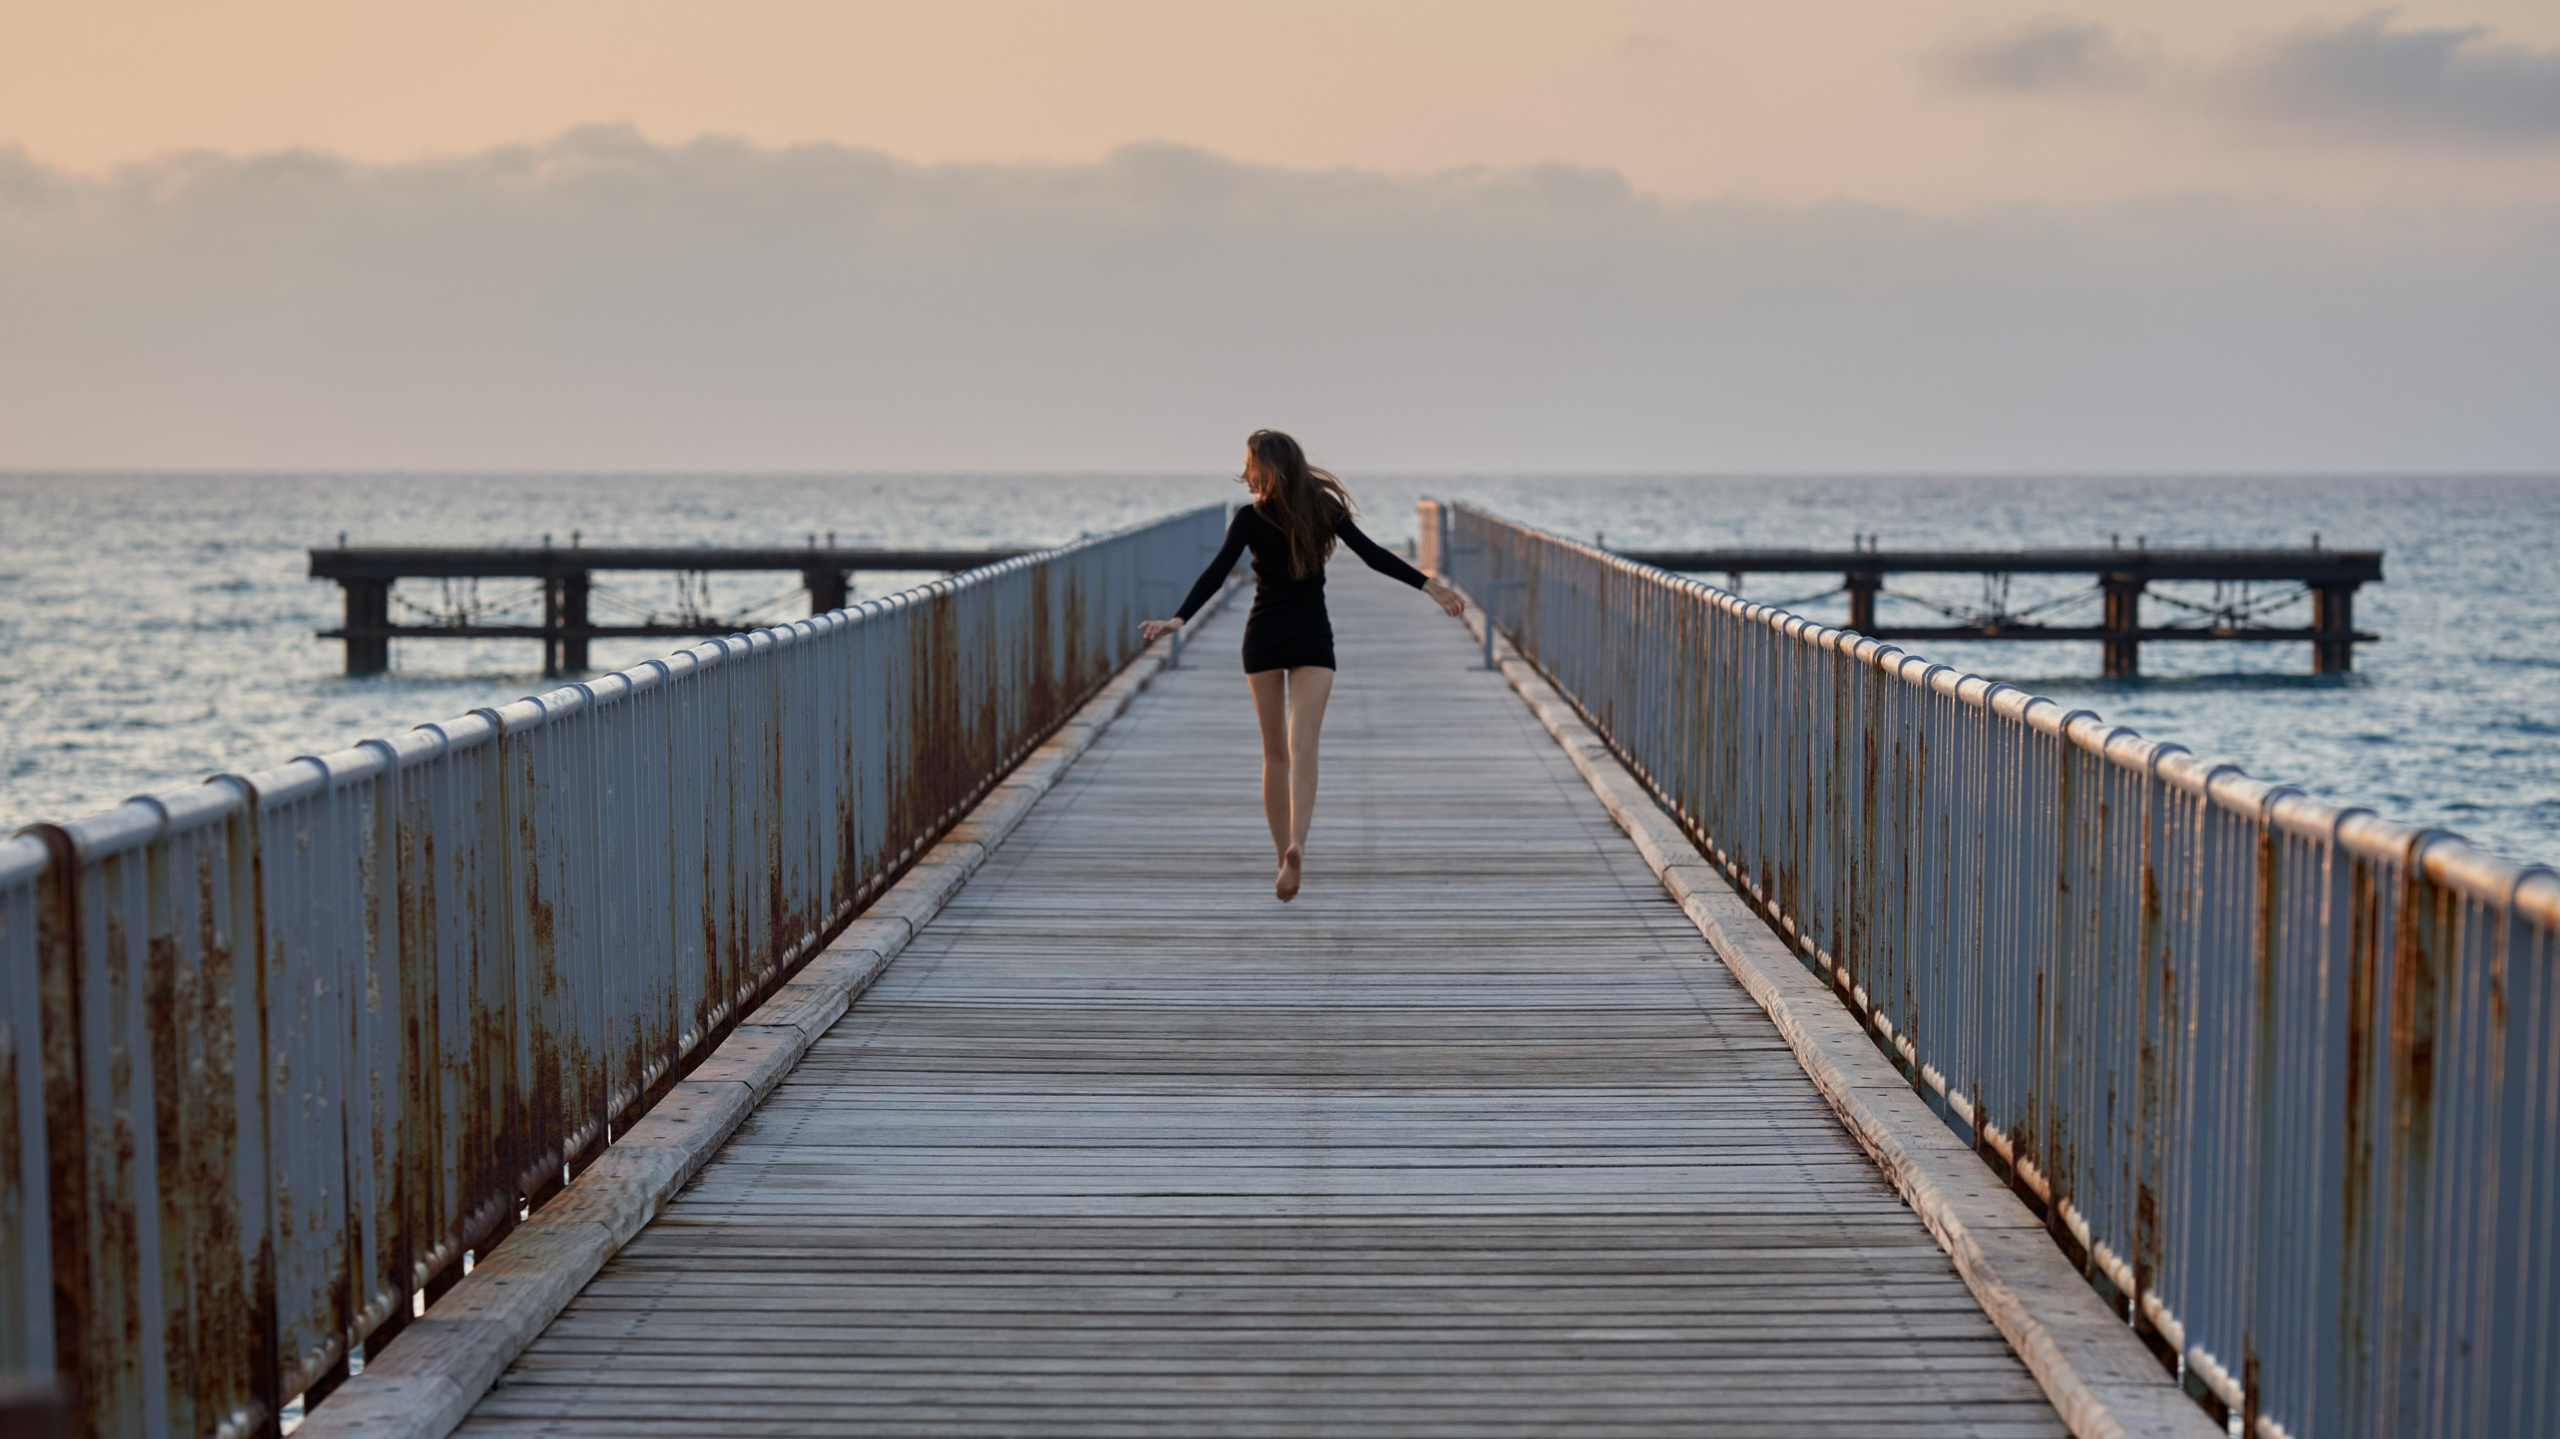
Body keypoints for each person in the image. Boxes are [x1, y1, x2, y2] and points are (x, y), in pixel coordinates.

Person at [1142, 430, 1467, 901]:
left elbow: (1216, 572)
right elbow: (1372, 555)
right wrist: (1428, 585)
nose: (1247, 471)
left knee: (1274, 753)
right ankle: (1298, 844)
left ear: (1264, 468)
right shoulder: (1324, 508)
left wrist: (1178, 619)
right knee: (1305, 749)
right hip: (1312, 636)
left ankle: (1282, 859)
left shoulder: (1249, 519)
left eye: (1250, 463)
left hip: (1263, 638)